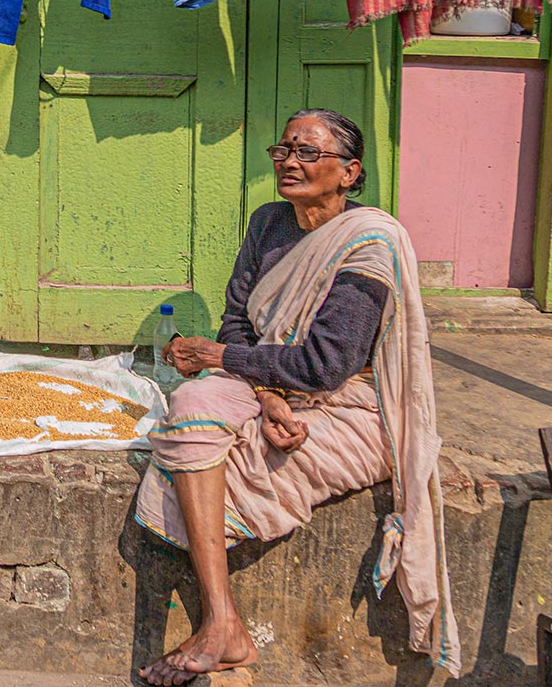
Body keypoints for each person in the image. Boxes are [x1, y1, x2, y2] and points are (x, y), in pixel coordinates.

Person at [134, 109, 461, 684]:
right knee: (189, 410)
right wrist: (265, 393)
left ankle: (217, 626)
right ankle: (224, 622)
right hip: (268, 385)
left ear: (349, 171)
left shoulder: (369, 243)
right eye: (284, 149)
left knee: (225, 460)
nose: (290, 161)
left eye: (309, 152)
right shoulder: (267, 223)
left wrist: (220, 360)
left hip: (351, 403)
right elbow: (238, 321)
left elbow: (326, 364)